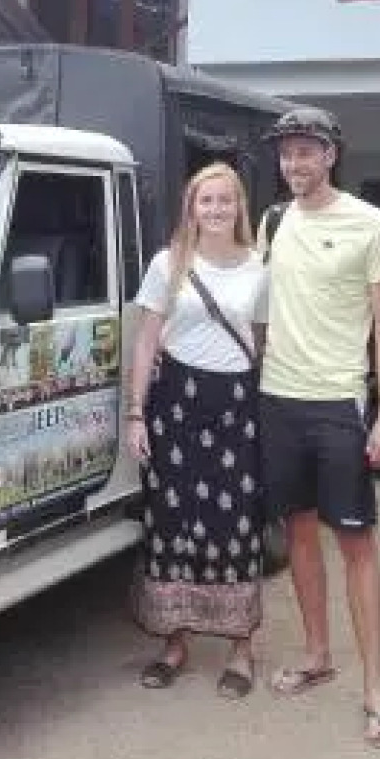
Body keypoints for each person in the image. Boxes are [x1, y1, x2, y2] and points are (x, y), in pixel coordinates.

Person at [256, 106, 380, 749]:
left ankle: (375, 687)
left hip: (338, 404)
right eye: (286, 152)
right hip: (277, 399)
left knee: (355, 542)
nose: (294, 163)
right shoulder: (272, 221)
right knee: (297, 533)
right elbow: (259, 308)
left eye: (305, 151)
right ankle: (317, 653)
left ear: (331, 155)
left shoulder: (371, 224)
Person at [125, 162, 269, 700]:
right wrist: (136, 413)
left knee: (236, 523)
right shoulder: (168, 264)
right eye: (205, 200)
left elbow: (262, 341)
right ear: (191, 207)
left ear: (239, 207)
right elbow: (146, 341)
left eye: (224, 200)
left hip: (236, 407)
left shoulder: (258, 268)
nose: (215, 209)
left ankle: (241, 649)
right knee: (172, 520)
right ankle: (175, 644)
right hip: (175, 405)